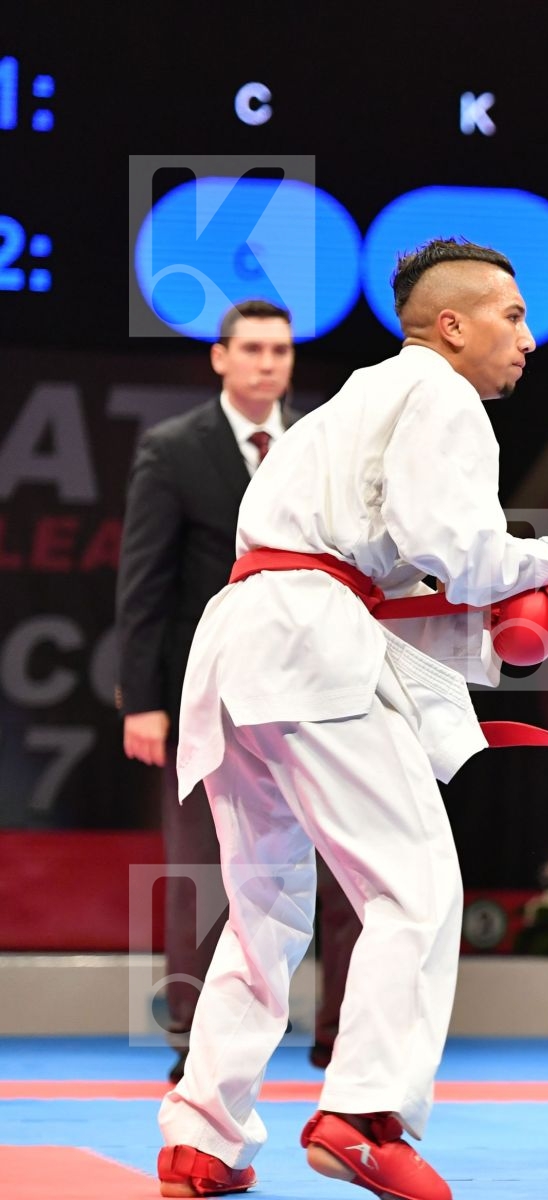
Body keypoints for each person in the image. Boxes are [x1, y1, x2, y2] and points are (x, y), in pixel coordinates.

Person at [154, 239, 548, 1200]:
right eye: (514, 317)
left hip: (244, 644)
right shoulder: (444, 397)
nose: (529, 338)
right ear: (452, 325)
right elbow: (457, 550)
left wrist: (519, 566)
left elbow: (398, 575)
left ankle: (205, 1136)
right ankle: (363, 1112)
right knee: (417, 885)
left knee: (267, 909)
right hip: (307, 648)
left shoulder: (353, 400)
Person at [116, 299, 359, 1084]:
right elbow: (143, 587)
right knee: (200, 869)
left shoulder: (326, 442)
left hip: (319, 686)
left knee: (350, 863)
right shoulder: (173, 450)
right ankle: (194, 1041)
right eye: (252, 348)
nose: (268, 362)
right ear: (220, 358)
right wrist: (141, 701)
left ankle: (347, 1037)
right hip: (207, 693)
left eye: (281, 350)